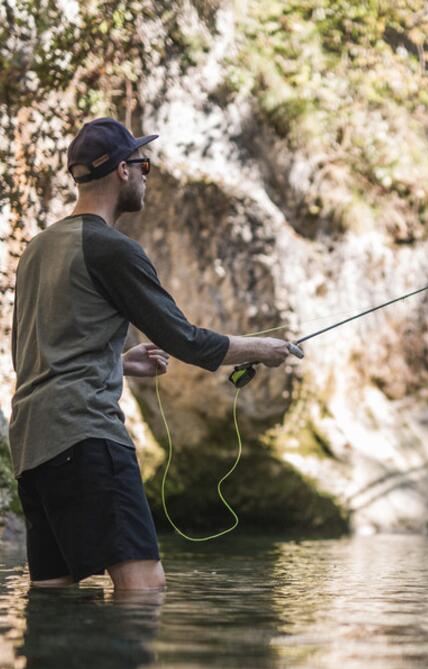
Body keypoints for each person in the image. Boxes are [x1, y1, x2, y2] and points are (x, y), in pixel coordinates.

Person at [8, 117, 290, 592]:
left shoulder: (37, 249)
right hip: (86, 437)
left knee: (52, 597)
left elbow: (36, 358)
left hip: (32, 450)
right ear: (122, 170)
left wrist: (120, 363)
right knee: (144, 590)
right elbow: (187, 341)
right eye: (144, 165)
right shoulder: (112, 249)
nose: (146, 175)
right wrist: (262, 349)